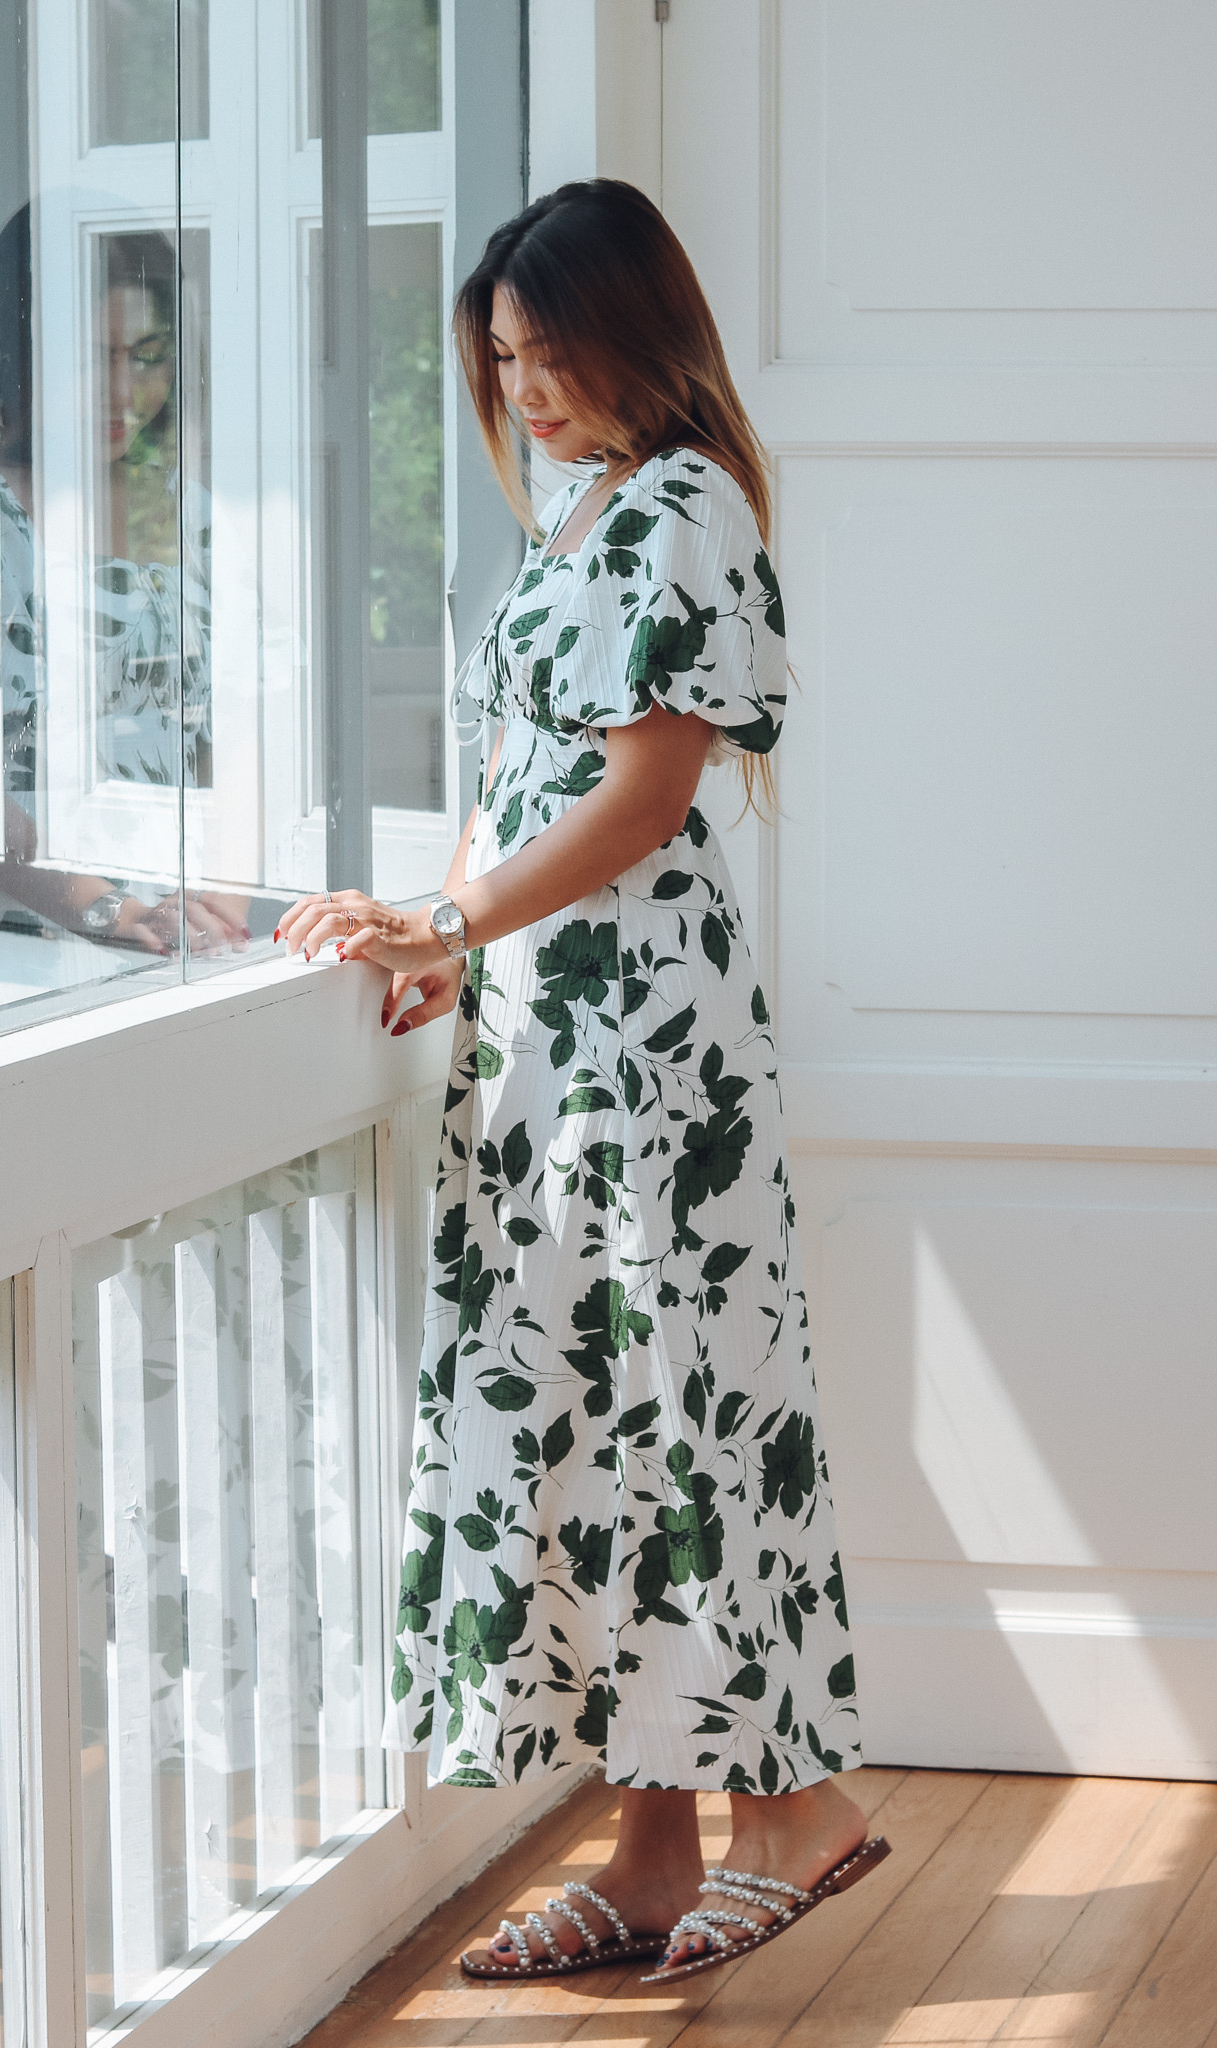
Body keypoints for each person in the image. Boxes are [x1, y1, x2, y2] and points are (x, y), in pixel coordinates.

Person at [275, 179, 887, 1985]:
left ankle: (801, 1806)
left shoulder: (683, 504)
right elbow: (515, 765)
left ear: (638, 328)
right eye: (501, 359)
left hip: (645, 1042)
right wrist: (448, 943)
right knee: (602, 1434)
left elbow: (642, 791)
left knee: (681, 1418)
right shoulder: (577, 509)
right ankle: (648, 1844)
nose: (524, 387)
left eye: (549, 351)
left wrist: (451, 910)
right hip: (551, 1033)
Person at [0, 214, 247, 956]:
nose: (121, 389)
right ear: (18, 357)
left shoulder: (194, 514)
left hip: (186, 943)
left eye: (147, 357)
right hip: (9, 946)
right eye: (91, 357)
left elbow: (249, 729)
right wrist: (104, 908)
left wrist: (218, 901)